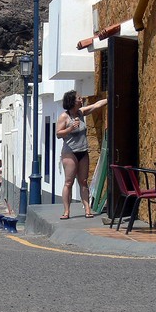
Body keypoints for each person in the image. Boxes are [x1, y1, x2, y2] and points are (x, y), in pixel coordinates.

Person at [55, 90, 107, 220]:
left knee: (83, 181)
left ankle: (87, 209)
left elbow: (96, 105)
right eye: (78, 98)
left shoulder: (81, 113)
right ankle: (66, 211)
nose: (81, 99)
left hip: (83, 152)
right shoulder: (64, 117)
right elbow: (58, 134)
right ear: (72, 101)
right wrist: (70, 128)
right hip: (70, 153)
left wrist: (110, 98)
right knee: (69, 182)